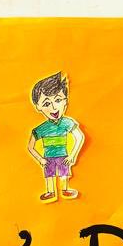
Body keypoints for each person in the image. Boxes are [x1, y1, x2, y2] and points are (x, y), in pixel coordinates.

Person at [27, 71, 85, 203]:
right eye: (46, 104)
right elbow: (30, 146)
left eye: (58, 100)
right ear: (38, 107)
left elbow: (79, 137)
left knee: (64, 173)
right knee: (49, 175)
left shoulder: (67, 123)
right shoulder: (41, 129)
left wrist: (72, 155)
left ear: (65, 101)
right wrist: (40, 159)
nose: (54, 107)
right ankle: (50, 191)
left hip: (63, 156)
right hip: (47, 158)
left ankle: (65, 189)